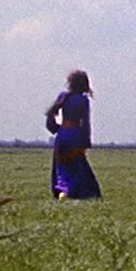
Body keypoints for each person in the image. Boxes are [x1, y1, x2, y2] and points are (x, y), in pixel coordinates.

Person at [45, 70, 102, 200]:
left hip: (62, 134)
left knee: (61, 166)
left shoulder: (63, 97)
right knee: (77, 166)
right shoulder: (83, 100)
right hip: (75, 135)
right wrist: (86, 141)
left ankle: (61, 190)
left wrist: (54, 128)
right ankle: (74, 191)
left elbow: (50, 114)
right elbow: (85, 123)